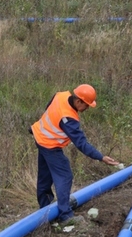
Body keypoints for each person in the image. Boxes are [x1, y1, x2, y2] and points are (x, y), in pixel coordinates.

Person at [29, 84, 120, 222]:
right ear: (78, 101)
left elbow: (48, 110)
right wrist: (101, 157)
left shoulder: (61, 95)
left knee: (45, 177)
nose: (87, 108)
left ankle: (45, 211)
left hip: (39, 136)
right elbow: (81, 144)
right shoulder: (69, 119)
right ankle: (65, 215)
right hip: (49, 145)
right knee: (65, 176)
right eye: (86, 105)